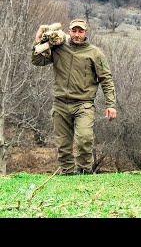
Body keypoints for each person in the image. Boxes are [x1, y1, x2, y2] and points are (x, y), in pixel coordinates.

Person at [31, 18, 117, 175]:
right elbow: (38, 61)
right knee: (63, 144)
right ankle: (68, 174)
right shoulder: (58, 47)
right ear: (69, 31)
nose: (77, 34)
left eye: (80, 31)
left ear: (85, 33)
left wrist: (110, 104)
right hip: (60, 103)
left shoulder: (95, 53)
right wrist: (38, 42)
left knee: (85, 139)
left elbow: (106, 79)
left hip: (83, 104)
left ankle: (85, 172)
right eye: (74, 31)